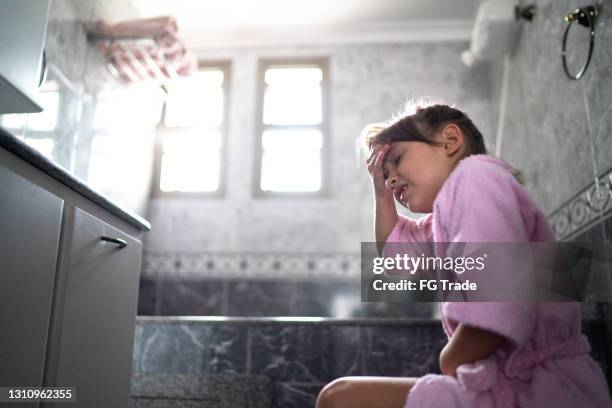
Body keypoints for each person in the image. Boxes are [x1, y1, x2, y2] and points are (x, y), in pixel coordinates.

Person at [315, 103, 612, 408]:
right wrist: (380, 194)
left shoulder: (475, 176)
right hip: (520, 383)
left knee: (339, 399)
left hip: (543, 390)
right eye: (386, 174)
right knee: (339, 396)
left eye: (398, 159)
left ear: (450, 141)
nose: (391, 180)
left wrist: (450, 359)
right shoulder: (449, 213)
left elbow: (497, 308)